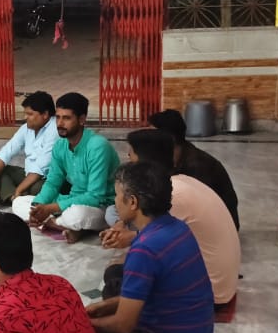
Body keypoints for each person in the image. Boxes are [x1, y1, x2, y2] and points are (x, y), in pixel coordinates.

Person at [88, 162, 214, 333]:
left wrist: (85, 324)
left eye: (117, 195)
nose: (115, 201)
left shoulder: (144, 249)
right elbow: (158, 292)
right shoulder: (178, 227)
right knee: (115, 278)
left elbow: (123, 326)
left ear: (133, 202)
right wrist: (106, 306)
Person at [102, 129, 240, 309]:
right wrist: (123, 227)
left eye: (131, 157)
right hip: (218, 284)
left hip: (209, 294)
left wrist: (129, 238)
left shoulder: (173, 196)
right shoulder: (181, 181)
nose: (127, 162)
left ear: (142, 167)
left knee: (115, 282)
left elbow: (154, 246)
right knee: (122, 269)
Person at [13, 93, 120, 243]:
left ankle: (57, 224)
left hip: (100, 206)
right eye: (58, 117)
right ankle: (65, 226)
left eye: (67, 118)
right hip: (71, 200)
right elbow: (53, 183)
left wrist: (51, 209)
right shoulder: (60, 145)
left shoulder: (97, 146)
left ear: (82, 119)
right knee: (19, 203)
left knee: (76, 216)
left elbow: (95, 196)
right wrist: (38, 207)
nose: (60, 123)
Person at [148, 109, 240, 229]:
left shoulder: (198, 166)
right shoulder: (169, 158)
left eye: (151, 136)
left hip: (218, 227)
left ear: (169, 139)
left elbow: (195, 209)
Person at [0, 91, 58, 205]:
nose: (25, 117)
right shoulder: (26, 128)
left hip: (45, 179)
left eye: (30, 114)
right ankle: (16, 199)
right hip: (28, 174)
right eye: (25, 113)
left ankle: (16, 196)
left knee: (37, 189)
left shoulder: (54, 129)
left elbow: (40, 169)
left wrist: (18, 190)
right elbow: (4, 154)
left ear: (45, 114)